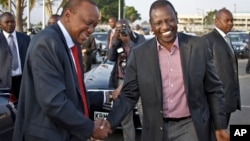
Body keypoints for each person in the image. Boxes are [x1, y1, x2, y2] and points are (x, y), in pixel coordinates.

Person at [99, 0, 230, 141]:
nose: (165, 27)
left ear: (177, 17)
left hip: (191, 127)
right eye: (158, 23)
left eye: (169, 20)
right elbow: (128, 95)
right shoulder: (139, 54)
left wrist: (220, 126)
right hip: (156, 129)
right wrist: (109, 122)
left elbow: (214, 89)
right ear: (151, 25)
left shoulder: (198, 46)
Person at [12, 0, 111, 141]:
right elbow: (53, 101)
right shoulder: (46, 42)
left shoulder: (74, 44)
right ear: (68, 15)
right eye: (88, 23)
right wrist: (90, 128)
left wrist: (109, 95)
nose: (91, 30)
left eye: (94, 26)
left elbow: (75, 94)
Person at [108, 19, 146, 141]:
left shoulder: (139, 38)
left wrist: (128, 42)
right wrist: (115, 40)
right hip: (120, 80)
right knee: (125, 116)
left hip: (137, 80)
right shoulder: (117, 41)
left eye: (124, 28)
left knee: (143, 113)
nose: (122, 31)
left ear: (130, 28)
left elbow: (142, 54)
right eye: (119, 29)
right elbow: (110, 58)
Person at [202, 8, 241, 127]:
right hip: (216, 101)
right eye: (227, 20)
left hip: (228, 98)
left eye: (232, 20)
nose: (230, 23)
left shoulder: (227, 39)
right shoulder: (207, 40)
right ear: (217, 21)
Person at [0, 12, 30, 101]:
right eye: (7, 22)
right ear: (0, 24)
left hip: (23, 81)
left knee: (23, 108)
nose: (10, 24)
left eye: (12, 22)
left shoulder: (25, 38)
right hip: (4, 83)